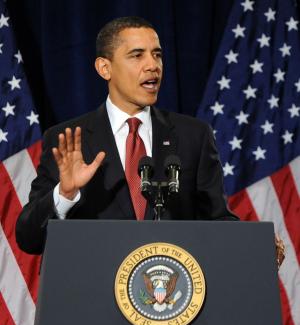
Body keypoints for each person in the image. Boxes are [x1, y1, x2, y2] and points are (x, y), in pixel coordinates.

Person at [16, 16, 241, 255]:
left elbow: (218, 221)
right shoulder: (68, 139)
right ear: (105, 68)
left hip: (171, 286)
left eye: (157, 54)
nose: (152, 65)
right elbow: (29, 239)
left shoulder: (194, 136)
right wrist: (65, 193)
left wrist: (253, 246)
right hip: (95, 287)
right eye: (137, 55)